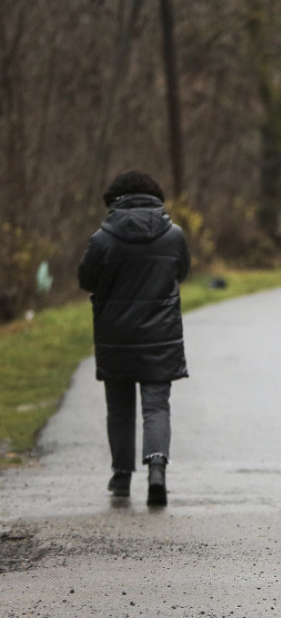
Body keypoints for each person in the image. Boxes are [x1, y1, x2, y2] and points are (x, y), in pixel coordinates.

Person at [78, 171, 190, 506]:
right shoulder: (174, 236)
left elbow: (86, 279)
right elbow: (181, 272)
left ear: (114, 202)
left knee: (120, 408)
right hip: (161, 335)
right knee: (157, 405)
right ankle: (157, 472)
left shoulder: (102, 239)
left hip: (116, 336)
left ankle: (121, 477)